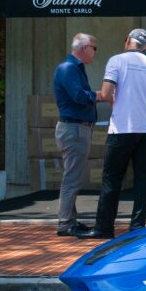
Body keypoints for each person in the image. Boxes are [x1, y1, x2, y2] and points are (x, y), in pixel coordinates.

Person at [80, 29, 146, 239]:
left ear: (127, 41)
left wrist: (117, 103)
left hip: (122, 128)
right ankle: (137, 227)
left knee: (112, 178)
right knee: (143, 179)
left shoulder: (117, 61)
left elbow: (105, 93)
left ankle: (104, 227)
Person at [52, 33, 102, 237]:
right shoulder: (68, 68)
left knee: (73, 176)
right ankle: (65, 223)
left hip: (77, 128)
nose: (95, 52)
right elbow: (79, 96)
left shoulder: (74, 68)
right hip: (73, 128)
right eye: (94, 48)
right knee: (72, 178)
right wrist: (99, 95)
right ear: (83, 47)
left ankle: (70, 220)